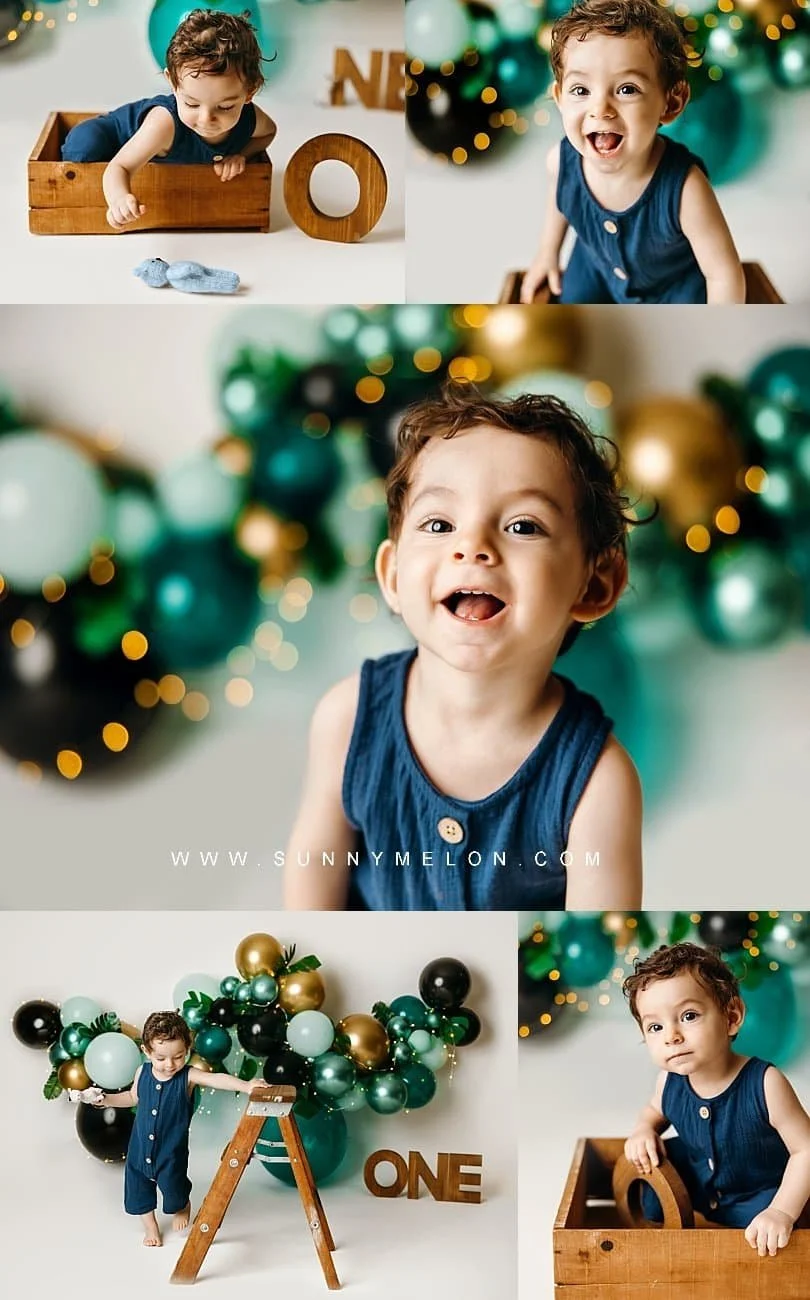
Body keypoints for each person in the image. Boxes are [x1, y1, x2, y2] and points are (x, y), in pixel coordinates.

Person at [284, 384, 643, 911]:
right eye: (439, 523)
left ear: (593, 587)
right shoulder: (347, 719)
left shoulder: (597, 783)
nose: (471, 545)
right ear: (393, 574)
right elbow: (313, 884)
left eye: (523, 525)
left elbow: (598, 941)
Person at [520, 0, 744, 305]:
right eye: (581, 90)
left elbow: (723, 275)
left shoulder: (685, 189)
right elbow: (560, 198)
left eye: (627, 89)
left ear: (671, 103)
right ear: (560, 97)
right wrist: (548, 253)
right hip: (594, 268)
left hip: (671, 288)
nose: (600, 109)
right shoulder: (560, 162)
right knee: (572, 318)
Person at [623, 943, 810, 1256]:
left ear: (732, 1016)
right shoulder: (668, 1081)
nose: (672, 1036)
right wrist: (644, 1129)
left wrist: (782, 1211)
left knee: (772, 1240)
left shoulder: (765, 1083)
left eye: (689, 1015)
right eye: (655, 1026)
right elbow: (653, 1111)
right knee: (652, 1184)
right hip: (699, 1181)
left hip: (758, 1191)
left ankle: (773, 1220)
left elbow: (805, 1149)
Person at [61, 9, 276, 231]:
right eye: (192, 104)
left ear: (249, 92)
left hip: (151, 149)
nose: (206, 119)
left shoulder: (251, 119)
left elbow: (269, 132)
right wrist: (118, 199)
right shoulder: (164, 124)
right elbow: (120, 166)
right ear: (173, 83)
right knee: (84, 147)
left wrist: (241, 155)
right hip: (115, 135)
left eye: (225, 107)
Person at [94, 1010, 258, 1247]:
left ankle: (182, 1205)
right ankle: (150, 1227)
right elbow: (132, 1097)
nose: (170, 1065)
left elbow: (217, 1079)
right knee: (138, 1189)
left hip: (170, 1153)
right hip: (139, 1150)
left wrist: (246, 1086)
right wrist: (106, 1100)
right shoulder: (143, 1073)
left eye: (178, 1056)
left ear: (188, 1050)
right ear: (147, 1052)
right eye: (161, 1058)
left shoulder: (188, 1077)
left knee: (174, 1188)